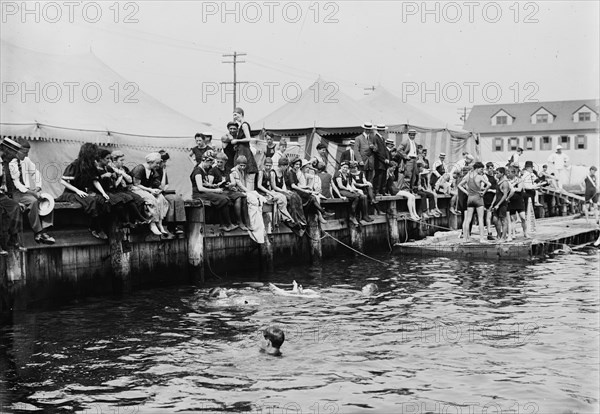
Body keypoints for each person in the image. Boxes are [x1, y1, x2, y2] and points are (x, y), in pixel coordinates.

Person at [6, 139, 55, 244]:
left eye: (27, 153)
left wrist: (37, 187)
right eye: (24, 152)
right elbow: (17, 183)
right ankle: (38, 232)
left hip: (27, 191)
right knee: (33, 201)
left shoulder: (26, 160)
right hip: (16, 193)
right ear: (17, 151)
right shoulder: (12, 163)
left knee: (47, 200)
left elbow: (35, 173)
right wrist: (32, 193)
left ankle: (45, 229)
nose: (26, 155)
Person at [57, 143, 110, 240]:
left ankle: (99, 226)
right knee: (91, 201)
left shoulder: (91, 166)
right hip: (70, 193)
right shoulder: (75, 165)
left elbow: (95, 180)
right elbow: (62, 181)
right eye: (94, 154)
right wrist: (77, 191)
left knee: (102, 200)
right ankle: (95, 228)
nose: (96, 156)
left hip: (82, 192)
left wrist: (103, 193)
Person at [96, 149, 150, 230]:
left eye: (109, 159)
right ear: (101, 159)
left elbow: (127, 180)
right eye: (107, 159)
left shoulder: (109, 168)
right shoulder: (99, 169)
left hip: (113, 189)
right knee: (123, 200)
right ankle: (129, 221)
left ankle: (138, 220)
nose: (108, 160)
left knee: (136, 198)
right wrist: (106, 176)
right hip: (105, 191)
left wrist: (117, 175)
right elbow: (98, 182)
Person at [191, 153, 237, 232]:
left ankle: (224, 224)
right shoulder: (198, 171)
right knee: (223, 199)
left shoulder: (203, 170)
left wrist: (212, 185)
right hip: (198, 194)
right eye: (209, 164)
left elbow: (204, 184)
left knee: (224, 198)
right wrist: (215, 190)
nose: (210, 166)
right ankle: (227, 224)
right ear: (205, 161)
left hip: (204, 192)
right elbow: (200, 188)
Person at [130, 153, 171, 236]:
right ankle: (152, 223)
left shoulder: (153, 171)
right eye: (157, 163)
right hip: (135, 189)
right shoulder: (140, 168)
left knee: (161, 198)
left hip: (146, 189)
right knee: (151, 198)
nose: (158, 165)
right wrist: (150, 190)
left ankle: (159, 223)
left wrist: (164, 172)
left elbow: (162, 187)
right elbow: (136, 184)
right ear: (150, 162)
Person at [230, 155, 266, 243]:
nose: (242, 167)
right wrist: (249, 191)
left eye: (244, 165)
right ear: (237, 164)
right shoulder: (234, 171)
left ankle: (249, 221)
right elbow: (239, 184)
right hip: (233, 190)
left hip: (240, 190)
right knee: (245, 198)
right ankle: (241, 222)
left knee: (250, 198)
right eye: (240, 165)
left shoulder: (242, 171)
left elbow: (243, 184)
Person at [207, 152, 247, 230]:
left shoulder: (228, 170)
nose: (219, 164)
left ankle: (241, 222)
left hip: (227, 190)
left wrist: (230, 185)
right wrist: (219, 184)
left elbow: (233, 182)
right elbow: (210, 184)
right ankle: (229, 223)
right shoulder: (213, 171)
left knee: (240, 197)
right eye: (217, 161)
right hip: (218, 191)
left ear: (225, 162)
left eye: (221, 162)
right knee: (226, 199)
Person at [288, 158, 333, 225]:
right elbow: (293, 186)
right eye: (296, 164)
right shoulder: (291, 173)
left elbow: (313, 178)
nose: (297, 166)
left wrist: (308, 188)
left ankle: (322, 213)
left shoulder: (296, 172)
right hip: (294, 192)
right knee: (312, 198)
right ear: (293, 165)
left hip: (298, 190)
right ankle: (322, 213)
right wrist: (305, 190)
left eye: (299, 165)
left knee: (313, 198)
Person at [256, 157, 295, 226]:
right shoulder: (261, 172)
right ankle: (286, 218)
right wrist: (269, 192)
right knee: (280, 198)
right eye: (266, 165)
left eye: (270, 166)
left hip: (268, 192)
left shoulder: (270, 173)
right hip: (261, 193)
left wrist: (284, 191)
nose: (268, 167)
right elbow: (259, 186)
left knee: (283, 196)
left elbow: (272, 185)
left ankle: (283, 218)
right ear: (264, 164)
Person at [0, 139, 24, 251]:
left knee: (16, 207)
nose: (15, 156)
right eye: (13, 152)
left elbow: (13, 186)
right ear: (6, 150)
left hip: (2, 195)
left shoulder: (8, 165)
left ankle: (13, 239)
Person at [458, 162, 490, 243]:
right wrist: (484, 192)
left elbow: (459, 185)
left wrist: (466, 192)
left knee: (467, 219)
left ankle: (465, 238)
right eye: (481, 169)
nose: (482, 171)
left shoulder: (467, 176)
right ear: (477, 168)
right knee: (480, 219)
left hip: (470, 198)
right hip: (478, 198)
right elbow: (489, 184)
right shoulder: (480, 177)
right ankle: (482, 239)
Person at [156, 150, 186, 235]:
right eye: (164, 161)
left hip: (163, 191)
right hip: (155, 192)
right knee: (171, 199)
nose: (165, 164)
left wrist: (164, 186)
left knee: (178, 198)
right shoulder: (155, 171)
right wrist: (164, 173)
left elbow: (166, 185)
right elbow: (161, 186)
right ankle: (171, 225)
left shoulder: (162, 170)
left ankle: (179, 224)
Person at [272, 157, 306, 228]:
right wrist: (283, 191)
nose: (286, 168)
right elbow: (274, 187)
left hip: (281, 191)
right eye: (285, 166)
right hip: (275, 191)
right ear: (281, 166)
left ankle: (300, 219)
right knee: (292, 198)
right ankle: (294, 219)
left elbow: (283, 184)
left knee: (295, 196)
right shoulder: (273, 172)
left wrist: (286, 191)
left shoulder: (283, 172)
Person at [232, 107, 259, 190]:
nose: (234, 117)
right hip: (241, 150)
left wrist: (237, 140)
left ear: (241, 114)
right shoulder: (241, 126)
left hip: (245, 151)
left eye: (236, 115)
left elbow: (248, 138)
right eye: (233, 115)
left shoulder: (244, 125)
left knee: (248, 171)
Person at [489, 167, 513, 241]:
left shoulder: (505, 182)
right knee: (495, 220)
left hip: (502, 204)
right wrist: (492, 204)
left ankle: (503, 237)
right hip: (496, 203)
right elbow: (496, 194)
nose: (496, 174)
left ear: (502, 173)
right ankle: (499, 236)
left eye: (498, 173)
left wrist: (498, 204)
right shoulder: (498, 181)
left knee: (503, 220)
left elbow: (505, 195)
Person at [507, 166, 529, 239]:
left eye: (509, 173)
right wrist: (512, 186)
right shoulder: (507, 181)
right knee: (513, 219)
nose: (508, 174)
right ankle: (513, 234)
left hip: (519, 200)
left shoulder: (519, 180)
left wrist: (512, 187)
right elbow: (506, 189)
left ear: (513, 173)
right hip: (511, 201)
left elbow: (519, 189)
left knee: (523, 217)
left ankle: (525, 232)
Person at [373, 124, 391, 196]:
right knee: (378, 177)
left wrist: (387, 158)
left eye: (383, 130)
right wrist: (384, 159)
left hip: (383, 162)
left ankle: (382, 191)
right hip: (379, 161)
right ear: (378, 130)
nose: (382, 131)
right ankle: (376, 191)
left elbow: (385, 150)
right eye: (381, 130)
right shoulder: (376, 138)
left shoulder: (382, 139)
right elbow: (377, 151)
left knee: (383, 177)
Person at [483, 162, 498, 240]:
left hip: (495, 197)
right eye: (488, 168)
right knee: (489, 216)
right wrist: (491, 190)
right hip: (488, 197)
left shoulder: (495, 176)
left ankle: (498, 232)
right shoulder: (485, 176)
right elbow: (482, 188)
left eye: (491, 168)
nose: (489, 170)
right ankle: (489, 232)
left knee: (496, 216)